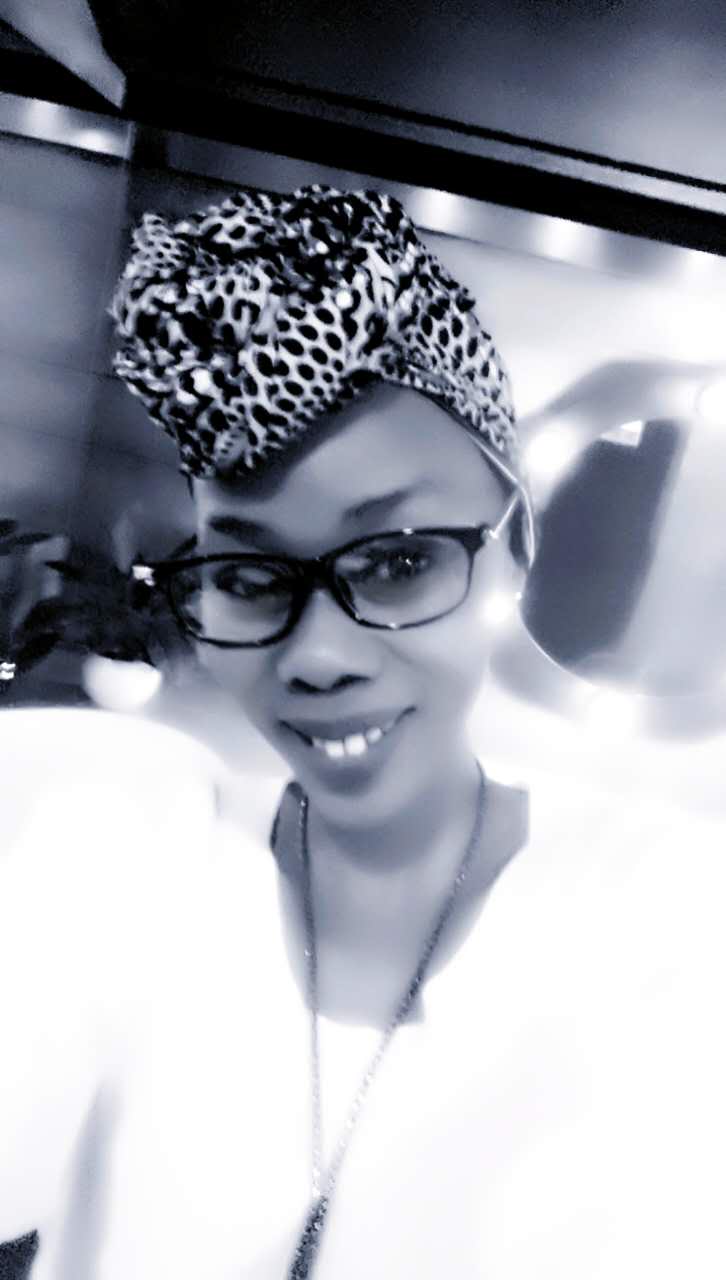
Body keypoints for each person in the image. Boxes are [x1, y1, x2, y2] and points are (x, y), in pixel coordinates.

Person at [1, 183, 725, 1280]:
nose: (320, 655)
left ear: (514, 548)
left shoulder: (668, 918)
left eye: (396, 562)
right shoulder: (133, 847)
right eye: (250, 577)